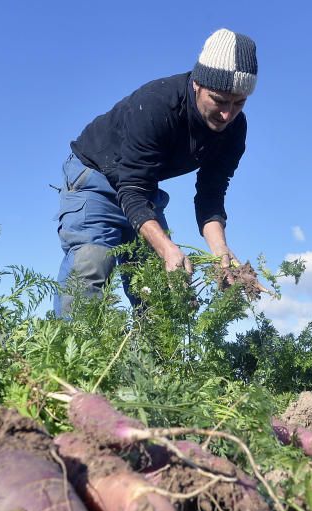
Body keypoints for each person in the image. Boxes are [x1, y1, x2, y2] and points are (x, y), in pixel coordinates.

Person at [53, 28, 257, 316]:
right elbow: (132, 189)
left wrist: (221, 253)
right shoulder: (157, 104)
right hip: (96, 178)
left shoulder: (234, 129)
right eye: (220, 100)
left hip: (142, 188)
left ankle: (152, 361)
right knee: (91, 265)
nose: (228, 114)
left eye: (239, 103)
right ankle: (66, 356)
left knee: (159, 291)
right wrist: (166, 247)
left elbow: (211, 194)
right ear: (198, 83)